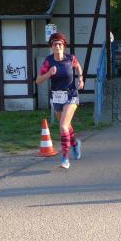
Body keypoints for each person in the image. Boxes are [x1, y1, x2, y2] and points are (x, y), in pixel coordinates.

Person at [36, 32, 84, 169]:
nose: (57, 47)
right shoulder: (48, 61)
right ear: (51, 47)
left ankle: (65, 158)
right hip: (56, 97)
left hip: (71, 95)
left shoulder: (71, 58)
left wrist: (80, 78)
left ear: (64, 46)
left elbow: (78, 66)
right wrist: (49, 73)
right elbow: (38, 80)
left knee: (63, 126)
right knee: (66, 126)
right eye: (54, 44)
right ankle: (75, 144)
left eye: (60, 44)